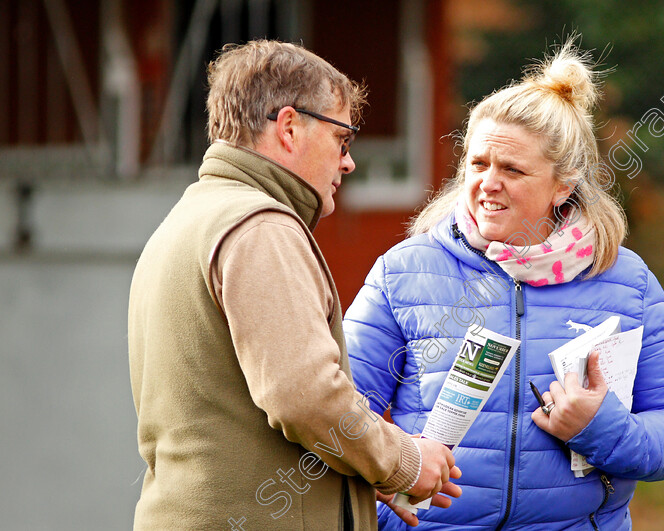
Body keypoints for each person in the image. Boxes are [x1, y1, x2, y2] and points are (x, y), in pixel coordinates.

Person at [343, 39, 664, 530]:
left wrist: (602, 430)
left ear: (565, 184)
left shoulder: (626, 281)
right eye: (478, 164)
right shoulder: (404, 271)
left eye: (512, 169)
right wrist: (396, 464)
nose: (487, 183)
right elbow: (342, 411)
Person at [128, 40, 460, 531]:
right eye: (342, 140)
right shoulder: (261, 226)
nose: (347, 162)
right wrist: (403, 461)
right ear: (288, 127)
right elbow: (306, 397)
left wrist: (360, 475)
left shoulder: (189, 219)